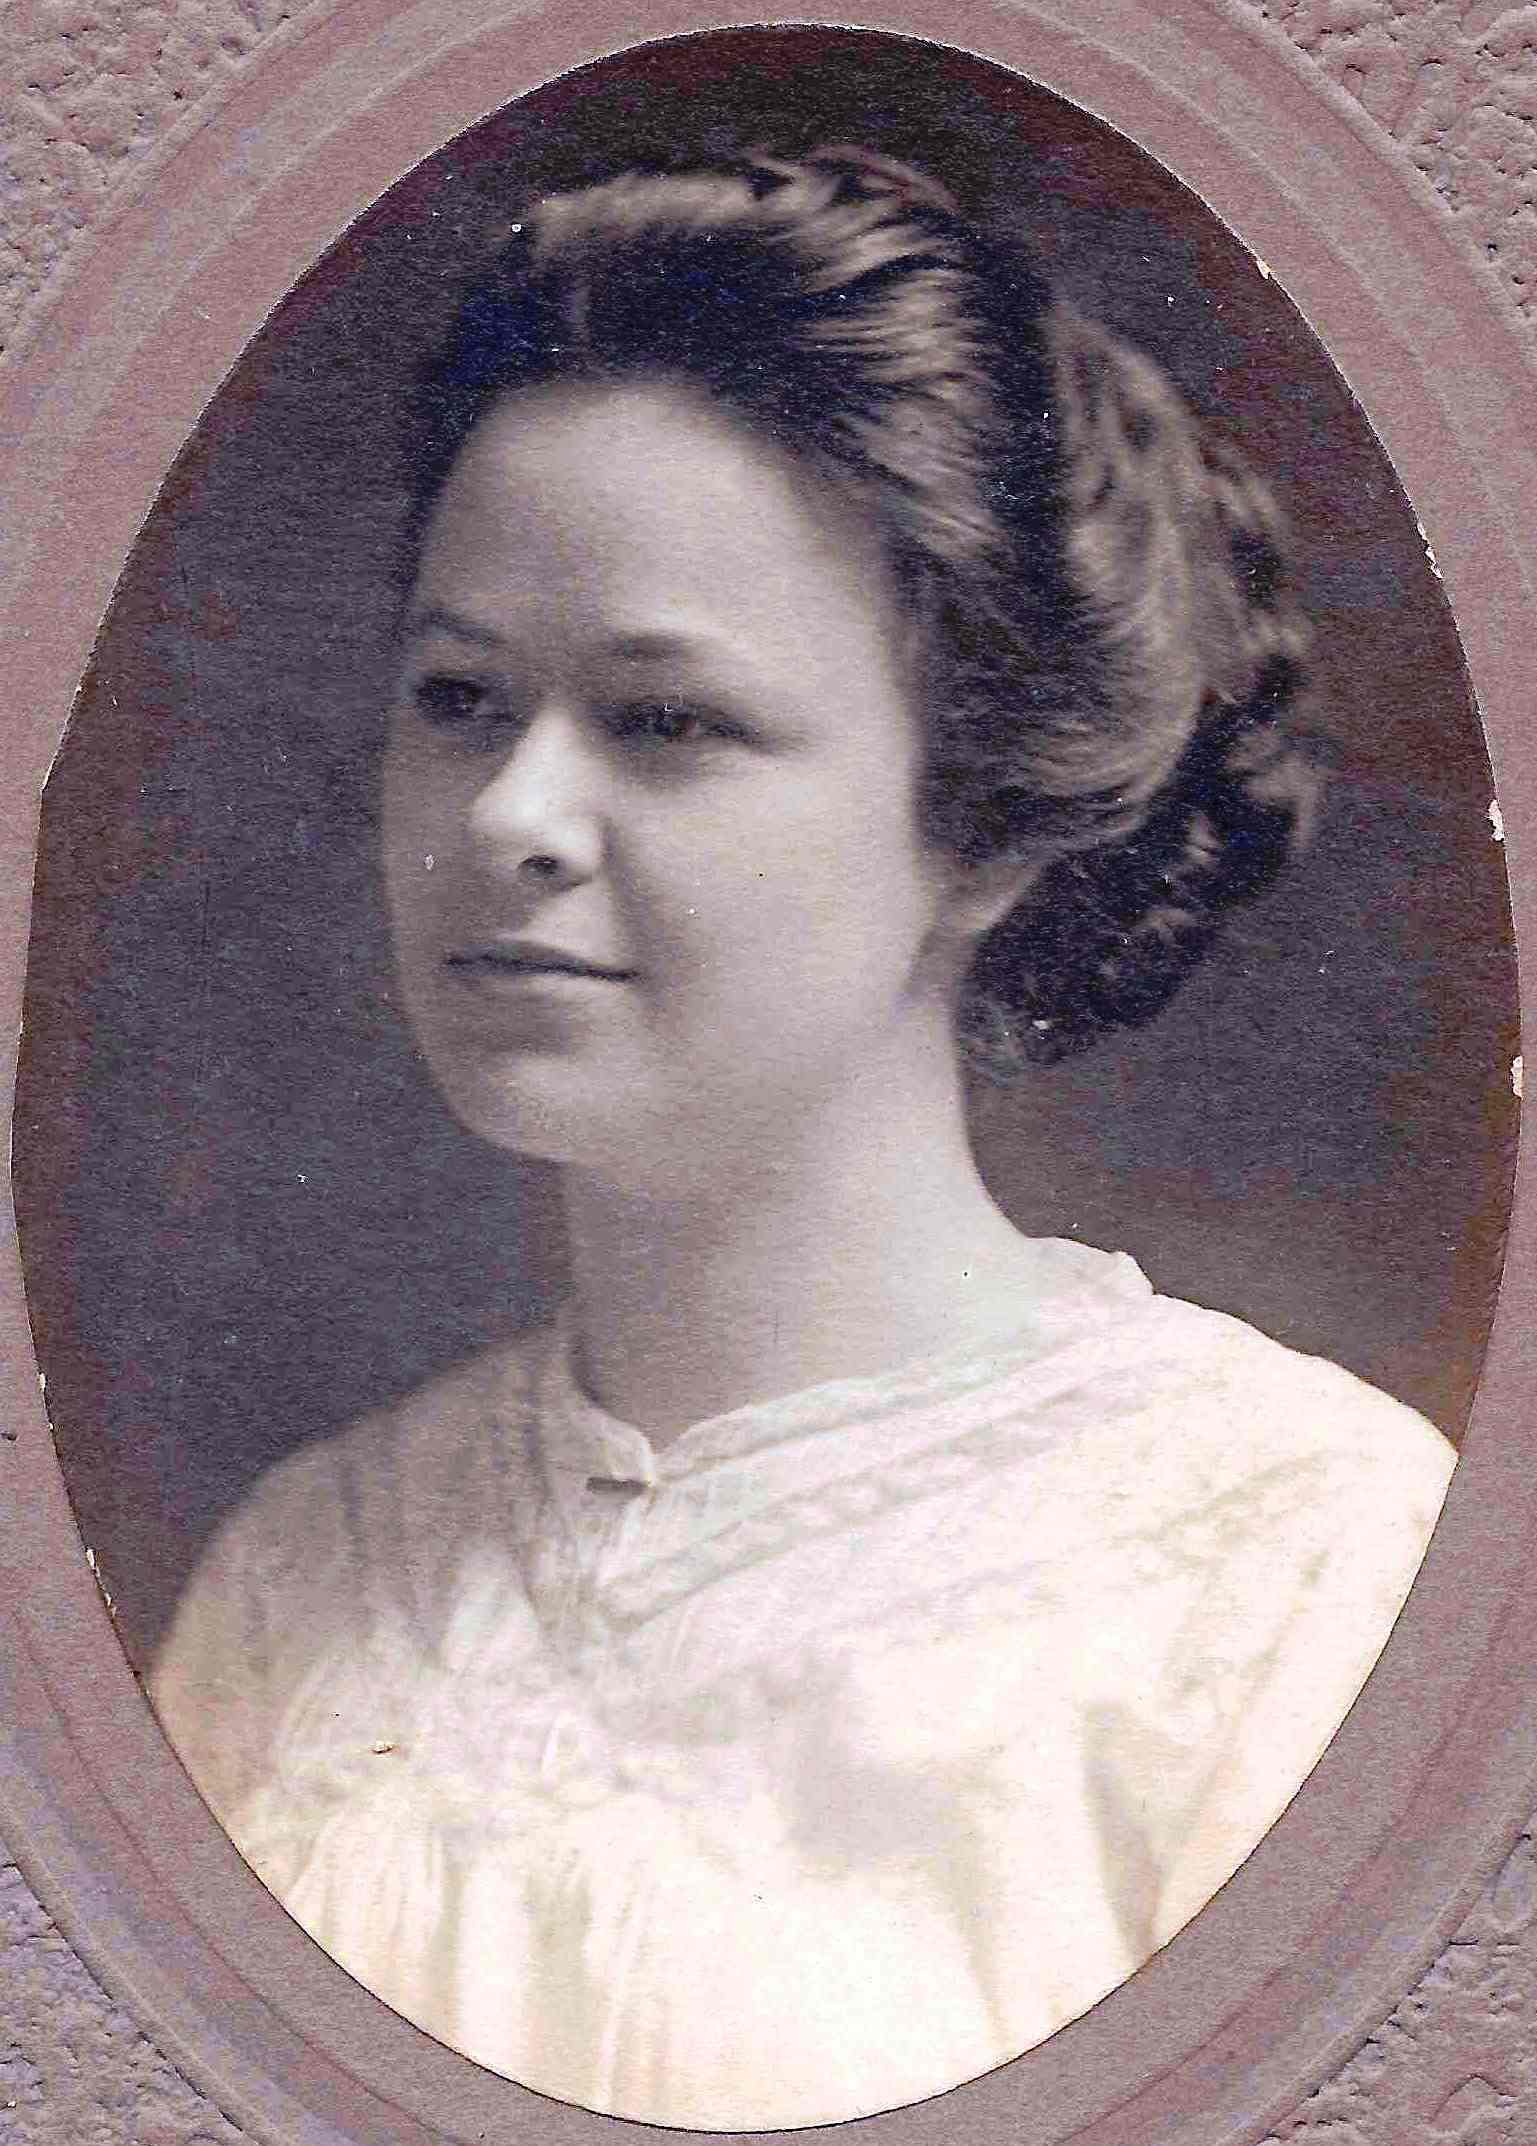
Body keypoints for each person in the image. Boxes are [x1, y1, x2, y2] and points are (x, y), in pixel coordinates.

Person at [147, 146, 1455, 2129]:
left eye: (665, 720)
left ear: (983, 824)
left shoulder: (1301, 1573)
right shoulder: (300, 1576)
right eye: (461, 695)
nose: (508, 813)